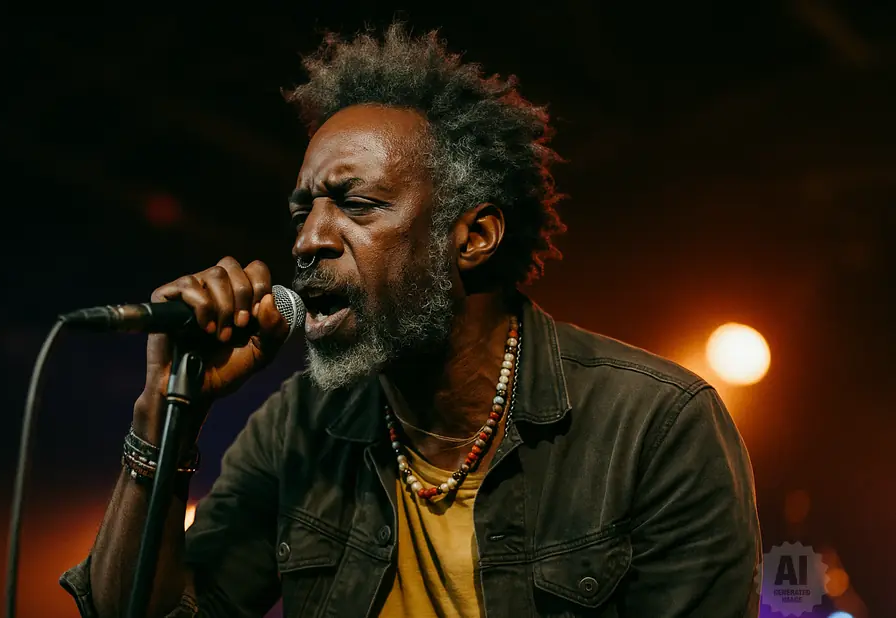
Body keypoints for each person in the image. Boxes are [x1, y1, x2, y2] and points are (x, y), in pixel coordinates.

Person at [61, 23, 761, 618]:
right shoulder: (301, 424)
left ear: (474, 237)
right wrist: (167, 412)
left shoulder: (654, 425)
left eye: (356, 205)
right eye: (303, 211)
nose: (308, 240)